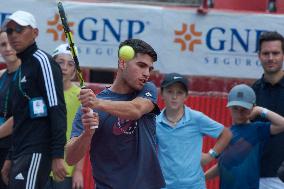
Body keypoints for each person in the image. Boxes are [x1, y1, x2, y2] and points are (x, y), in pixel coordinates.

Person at [65, 39, 165, 189]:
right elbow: (70, 158)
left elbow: (136, 110)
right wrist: (87, 134)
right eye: (141, 66)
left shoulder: (147, 90)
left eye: (150, 69)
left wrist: (97, 103)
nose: (146, 74)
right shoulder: (88, 109)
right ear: (123, 63)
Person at [1, 10, 67, 188]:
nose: (13, 35)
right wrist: (10, 157)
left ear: (35, 33)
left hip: (37, 150)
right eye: (10, 31)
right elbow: (21, 119)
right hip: (20, 153)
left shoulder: (43, 62)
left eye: (20, 29)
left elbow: (57, 108)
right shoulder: (22, 68)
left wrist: (57, 155)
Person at [156, 73, 232, 189]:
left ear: (186, 96)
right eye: (170, 91)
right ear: (162, 94)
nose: (174, 96)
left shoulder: (196, 118)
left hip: (194, 186)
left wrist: (210, 156)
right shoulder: (155, 123)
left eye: (180, 93)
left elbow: (226, 134)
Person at [205, 84, 284, 189]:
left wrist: (260, 110)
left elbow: (282, 124)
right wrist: (202, 177)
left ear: (252, 107)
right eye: (235, 108)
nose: (239, 113)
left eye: (244, 109)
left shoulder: (257, 129)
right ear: (229, 108)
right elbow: (223, 165)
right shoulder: (224, 134)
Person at [44, 44, 84, 189]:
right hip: (40, 166)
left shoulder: (81, 96)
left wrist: (79, 171)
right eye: (60, 62)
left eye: (70, 63)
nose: (64, 67)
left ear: (75, 69)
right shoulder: (40, 91)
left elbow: (83, 136)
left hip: (66, 169)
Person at [252, 31, 284, 189]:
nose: (271, 58)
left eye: (276, 53)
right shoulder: (252, 92)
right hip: (255, 176)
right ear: (259, 55)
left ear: (283, 55)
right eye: (266, 53)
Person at [0, 30, 21, 189]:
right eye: (2, 44)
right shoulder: (1, 75)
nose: (7, 48)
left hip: (16, 148)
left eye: (11, 43)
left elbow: (21, 115)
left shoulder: (28, 75)